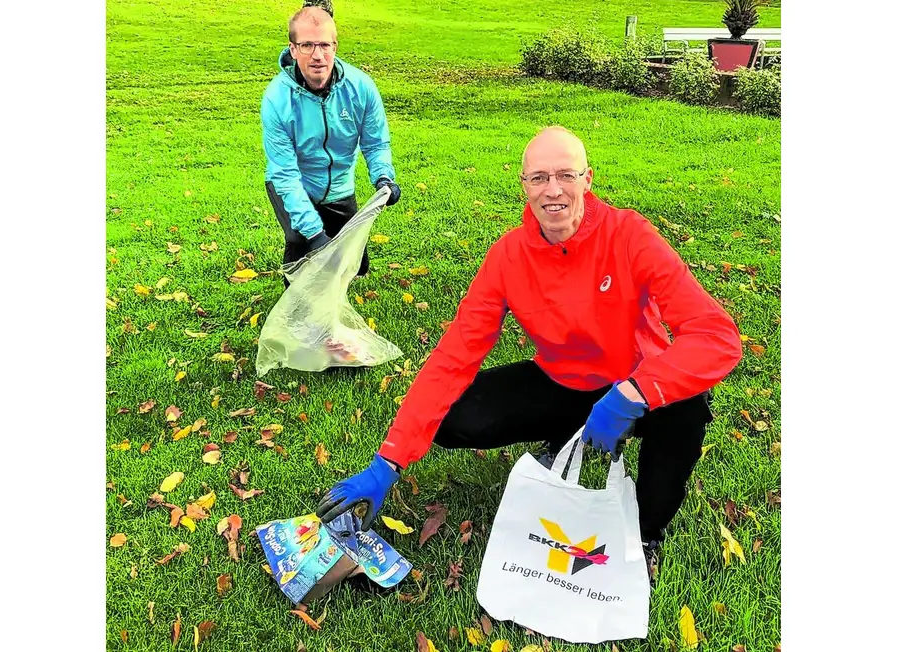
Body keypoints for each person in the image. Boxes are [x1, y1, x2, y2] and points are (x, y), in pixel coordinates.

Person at [316, 126, 742, 582]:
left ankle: (645, 531)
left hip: (632, 385)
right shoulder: (508, 256)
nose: (553, 190)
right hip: (562, 381)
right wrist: (389, 460)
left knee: (688, 411)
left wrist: (636, 392)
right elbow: (453, 356)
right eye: (538, 178)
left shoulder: (629, 235)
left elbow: (717, 336)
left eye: (565, 175)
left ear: (587, 179)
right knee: (454, 415)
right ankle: (564, 434)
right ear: (523, 185)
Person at [261, 6, 400, 281]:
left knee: (356, 266)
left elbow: (375, 143)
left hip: (338, 186)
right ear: (292, 49)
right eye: (307, 45)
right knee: (302, 248)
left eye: (324, 44)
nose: (317, 55)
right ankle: (299, 299)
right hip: (293, 183)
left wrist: (384, 177)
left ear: (335, 46)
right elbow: (286, 175)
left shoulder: (361, 88)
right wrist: (315, 235)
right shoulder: (276, 99)